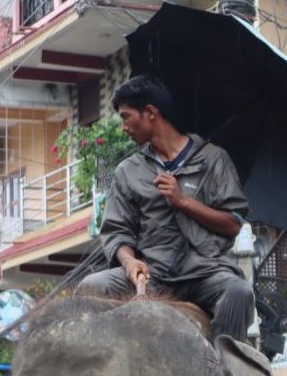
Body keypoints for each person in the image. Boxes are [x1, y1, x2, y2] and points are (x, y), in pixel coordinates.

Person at [77, 74, 255, 341]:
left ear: (150, 112)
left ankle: (226, 371)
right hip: (153, 273)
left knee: (239, 293)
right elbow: (117, 231)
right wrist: (129, 262)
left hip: (205, 272)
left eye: (126, 117)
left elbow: (233, 223)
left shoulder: (214, 159)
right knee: (90, 287)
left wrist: (183, 201)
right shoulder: (129, 171)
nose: (123, 127)